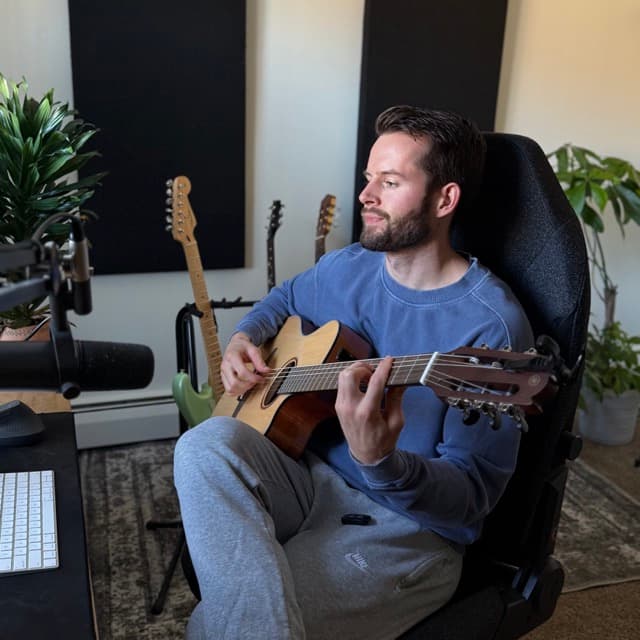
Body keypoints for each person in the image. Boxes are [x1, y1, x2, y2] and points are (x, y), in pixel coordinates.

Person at [173, 105, 534, 640]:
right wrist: (246, 336)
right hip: (308, 474)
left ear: (444, 199)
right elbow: (284, 297)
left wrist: (382, 462)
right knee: (203, 445)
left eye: (389, 182)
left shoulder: (491, 330)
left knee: (211, 629)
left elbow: (472, 499)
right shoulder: (349, 266)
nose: (366, 195)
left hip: (406, 531)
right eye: (369, 179)